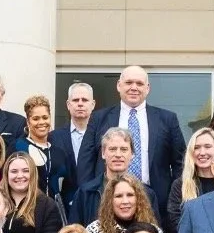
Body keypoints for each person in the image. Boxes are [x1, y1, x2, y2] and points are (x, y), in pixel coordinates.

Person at [77, 64, 186, 217]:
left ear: (147, 88)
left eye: (139, 83)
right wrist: (88, 196)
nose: (134, 87)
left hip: (154, 202)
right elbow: (85, 160)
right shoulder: (99, 118)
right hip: (105, 200)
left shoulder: (167, 119)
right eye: (128, 83)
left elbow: (180, 163)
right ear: (118, 85)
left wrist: (174, 199)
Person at [4, 150, 63, 233]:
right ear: (6, 174)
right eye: (14, 171)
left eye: (25, 171)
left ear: (33, 174)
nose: (20, 176)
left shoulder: (47, 205)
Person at [75, 124, 136, 229]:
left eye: (124, 149)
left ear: (132, 154)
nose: (118, 154)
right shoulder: (85, 193)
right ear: (103, 153)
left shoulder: (146, 194)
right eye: (112, 149)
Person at [50, 81, 96, 214]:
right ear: (68, 105)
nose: (80, 103)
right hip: (62, 208)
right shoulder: (53, 137)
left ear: (92, 104)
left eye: (85, 100)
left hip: (94, 204)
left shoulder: (102, 137)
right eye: (75, 100)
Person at [166, 126, 214, 233]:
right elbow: (174, 223)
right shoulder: (180, 185)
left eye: (208, 147)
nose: (202, 152)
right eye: (197, 148)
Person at [22, 94, 58, 195]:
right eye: (36, 118)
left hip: (53, 209)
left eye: (45, 117)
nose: (41, 122)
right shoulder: (18, 148)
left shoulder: (59, 151)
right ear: (28, 121)